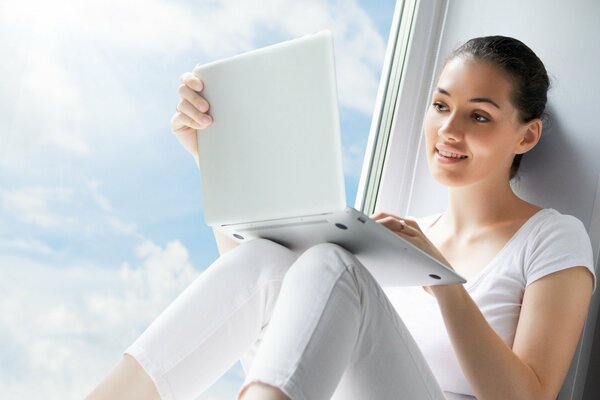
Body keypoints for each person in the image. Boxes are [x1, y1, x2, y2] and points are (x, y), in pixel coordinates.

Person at [86, 36, 596, 400]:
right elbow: (258, 314)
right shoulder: (399, 238)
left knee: (334, 264)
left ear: (526, 136)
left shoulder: (551, 236)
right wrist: (213, 161)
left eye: (478, 115)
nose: (449, 130)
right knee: (267, 261)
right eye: (441, 106)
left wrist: (442, 280)